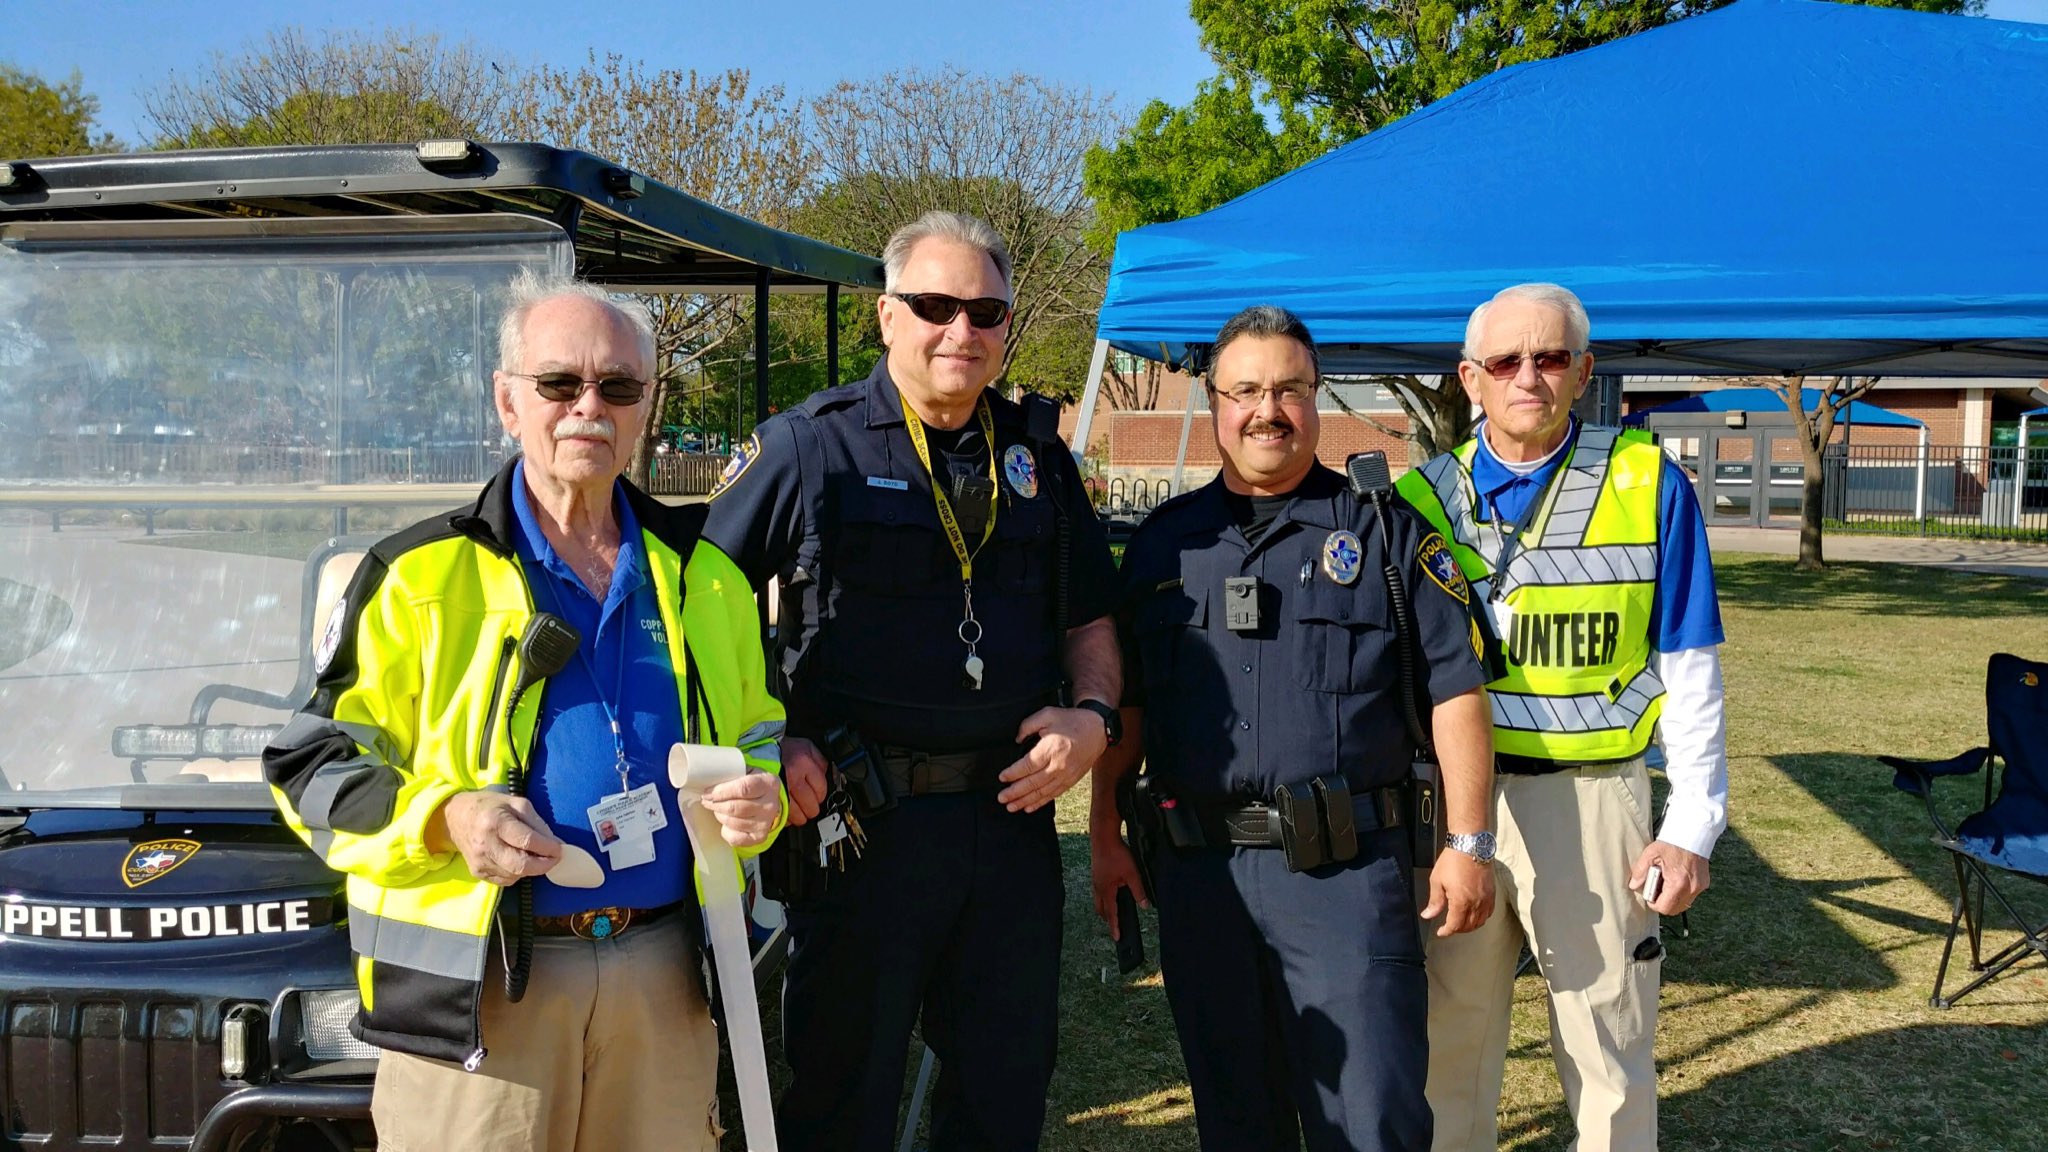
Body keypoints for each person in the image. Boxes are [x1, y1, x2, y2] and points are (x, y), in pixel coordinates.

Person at [262, 272, 788, 1152]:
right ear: (508, 403)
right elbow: (310, 766)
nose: (590, 407)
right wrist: (446, 819)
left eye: (617, 386)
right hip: (482, 996)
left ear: (646, 408)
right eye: (559, 383)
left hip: (665, 976)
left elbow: (757, 737)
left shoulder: (708, 576)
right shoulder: (415, 576)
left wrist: (760, 794)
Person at [702, 210, 1121, 1152]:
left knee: (1002, 1097)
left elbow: (1091, 615)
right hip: (861, 826)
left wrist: (1093, 716)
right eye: (935, 306)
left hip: (1009, 825)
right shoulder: (810, 445)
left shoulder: (1039, 458)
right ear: (886, 315)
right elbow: (703, 597)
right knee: (844, 1098)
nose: (960, 330)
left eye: (985, 311)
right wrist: (763, 738)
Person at [1091, 304, 1497, 1152]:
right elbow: (1128, 708)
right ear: (1213, 402)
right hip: (1203, 879)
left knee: (1371, 1122)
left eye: (1288, 389)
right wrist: (1102, 834)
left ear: (1316, 398)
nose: (1266, 411)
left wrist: (1469, 843)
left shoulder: (1385, 533)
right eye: (1244, 391)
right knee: (1236, 1121)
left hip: (1346, 877)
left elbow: (1457, 690)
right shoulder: (1163, 546)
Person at [1397, 283, 1729, 1152]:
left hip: (1593, 800)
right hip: (1457, 805)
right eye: (1505, 360)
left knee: (1608, 1041)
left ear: (1584, 372)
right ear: (1470, 377)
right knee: (1447, 1040)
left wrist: (1692, 825)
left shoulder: (1648, 483)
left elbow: (1690, 667)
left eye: (1550, 358)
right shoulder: (1421, 499)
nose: (1527, 377)